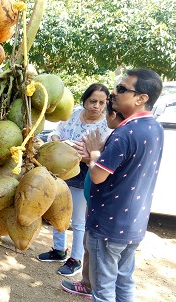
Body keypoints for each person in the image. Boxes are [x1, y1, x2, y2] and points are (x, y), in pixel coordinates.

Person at [65, 68, 164, 302]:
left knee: (104, 284)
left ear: (141, 98)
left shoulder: (124, 134)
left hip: (108, 223)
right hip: (133, 223)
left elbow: (97, 176)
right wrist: (96, 155)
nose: (114, 93)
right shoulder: (154, 128)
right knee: (124, 281)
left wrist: (95, 154)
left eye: (122, 89)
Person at [38, 84, 112, 277]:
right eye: (93, 101)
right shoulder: (74, 114)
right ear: (85, 100)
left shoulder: (106, 126)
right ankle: (59, 250)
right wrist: (56, 140)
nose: (97, 106)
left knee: (78, 220)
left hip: (83, 174)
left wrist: (85, 156)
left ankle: (76, 259)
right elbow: (56, 131)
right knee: (57, 212)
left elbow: (102, 155)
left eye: (102, 103)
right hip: (59, 171)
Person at [61, 103, 127, 302]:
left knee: (102, 262)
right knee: (90, 247)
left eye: (105, 110)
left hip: (104, 209)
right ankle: (87, 284)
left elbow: (100, 173)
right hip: (96, 203)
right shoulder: (116, 135)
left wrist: (93, 153)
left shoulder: (119, 138)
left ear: (114, 115)